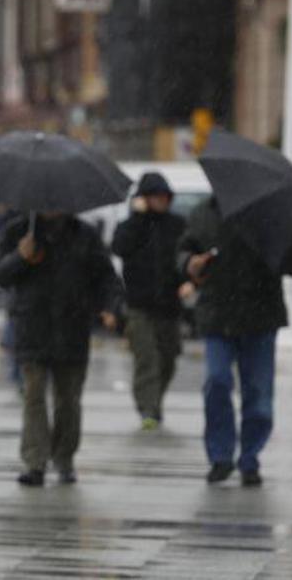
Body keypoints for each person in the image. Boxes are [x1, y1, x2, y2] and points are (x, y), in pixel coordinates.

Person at [0, 211, 121, 487]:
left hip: (72, 327)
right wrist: (20, 257)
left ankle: (64, 458)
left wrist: (109, 307)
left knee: (68, 400)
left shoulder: (84, 235)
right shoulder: (18, 231)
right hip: (32, 326)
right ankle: (35, 462)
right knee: (34, 396)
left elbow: (106, 276)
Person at [177, 196, 286, 487]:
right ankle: (220, 456)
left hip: (261, 315)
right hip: (218, 314)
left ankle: (250, 458)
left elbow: (285, 256)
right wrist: (191, 264)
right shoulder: (203, 212)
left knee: (259, 394)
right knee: (217, 380)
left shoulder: (269, 214)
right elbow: (185, 250)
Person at [112, 172, 187, 430]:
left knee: (168, 358)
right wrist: (138, 217)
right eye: (155, 196)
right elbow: (119, 246)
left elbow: (186, 256)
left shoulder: (177, 226)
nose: (161, 201)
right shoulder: (131, 227)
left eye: (164, 196)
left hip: (169, 305)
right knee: (147, 359)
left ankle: (155, 401)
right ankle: (148, 408)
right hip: (139, 305)